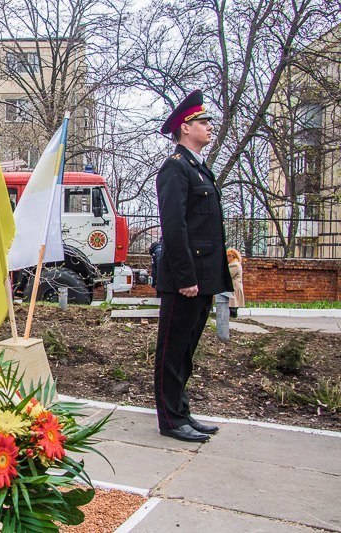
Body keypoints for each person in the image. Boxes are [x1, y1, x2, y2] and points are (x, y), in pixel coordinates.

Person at [154, 90, 233, 443]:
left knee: (186, 350)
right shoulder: (175, 167)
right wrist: (186, 277)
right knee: (172, 351)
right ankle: (170, 420)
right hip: (184, 280)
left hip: (203, 279)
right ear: (185, 128)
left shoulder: (199, 169)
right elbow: (175, 228)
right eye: (203, 122)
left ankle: (181, 411)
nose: (209, 126)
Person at [226, 248, 245, 317]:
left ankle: (233, 316)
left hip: (234, 287)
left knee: (233, 303)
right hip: (234, 286)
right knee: (233, 303)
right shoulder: (235, 264)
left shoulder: (234, 265)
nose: (227, 258)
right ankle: (233, 315)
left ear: (233, 256)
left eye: (228, 256)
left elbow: (229, 275)